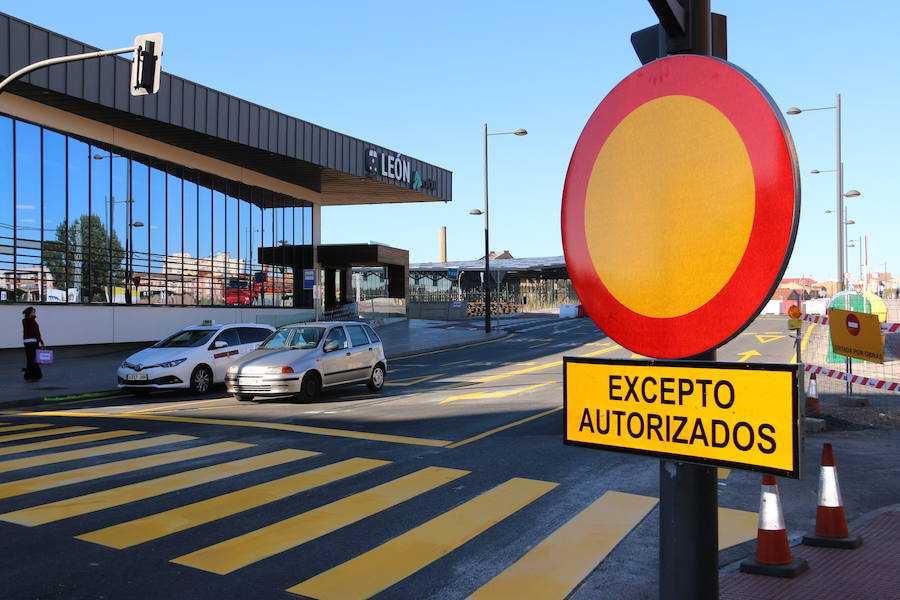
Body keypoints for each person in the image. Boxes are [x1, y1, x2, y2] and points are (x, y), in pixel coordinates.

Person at [22, 306, 43, 383]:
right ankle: (31, 376)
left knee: (32, 359)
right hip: (31, 342)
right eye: (33, 312)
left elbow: (36, 332)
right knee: (32, 359)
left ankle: (32, 376)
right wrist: (40, 340)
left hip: (31, 342)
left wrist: (40, 340)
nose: (34, 314)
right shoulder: (28, 321)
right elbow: (35, 332)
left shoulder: (30, 320)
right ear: (30, 313)